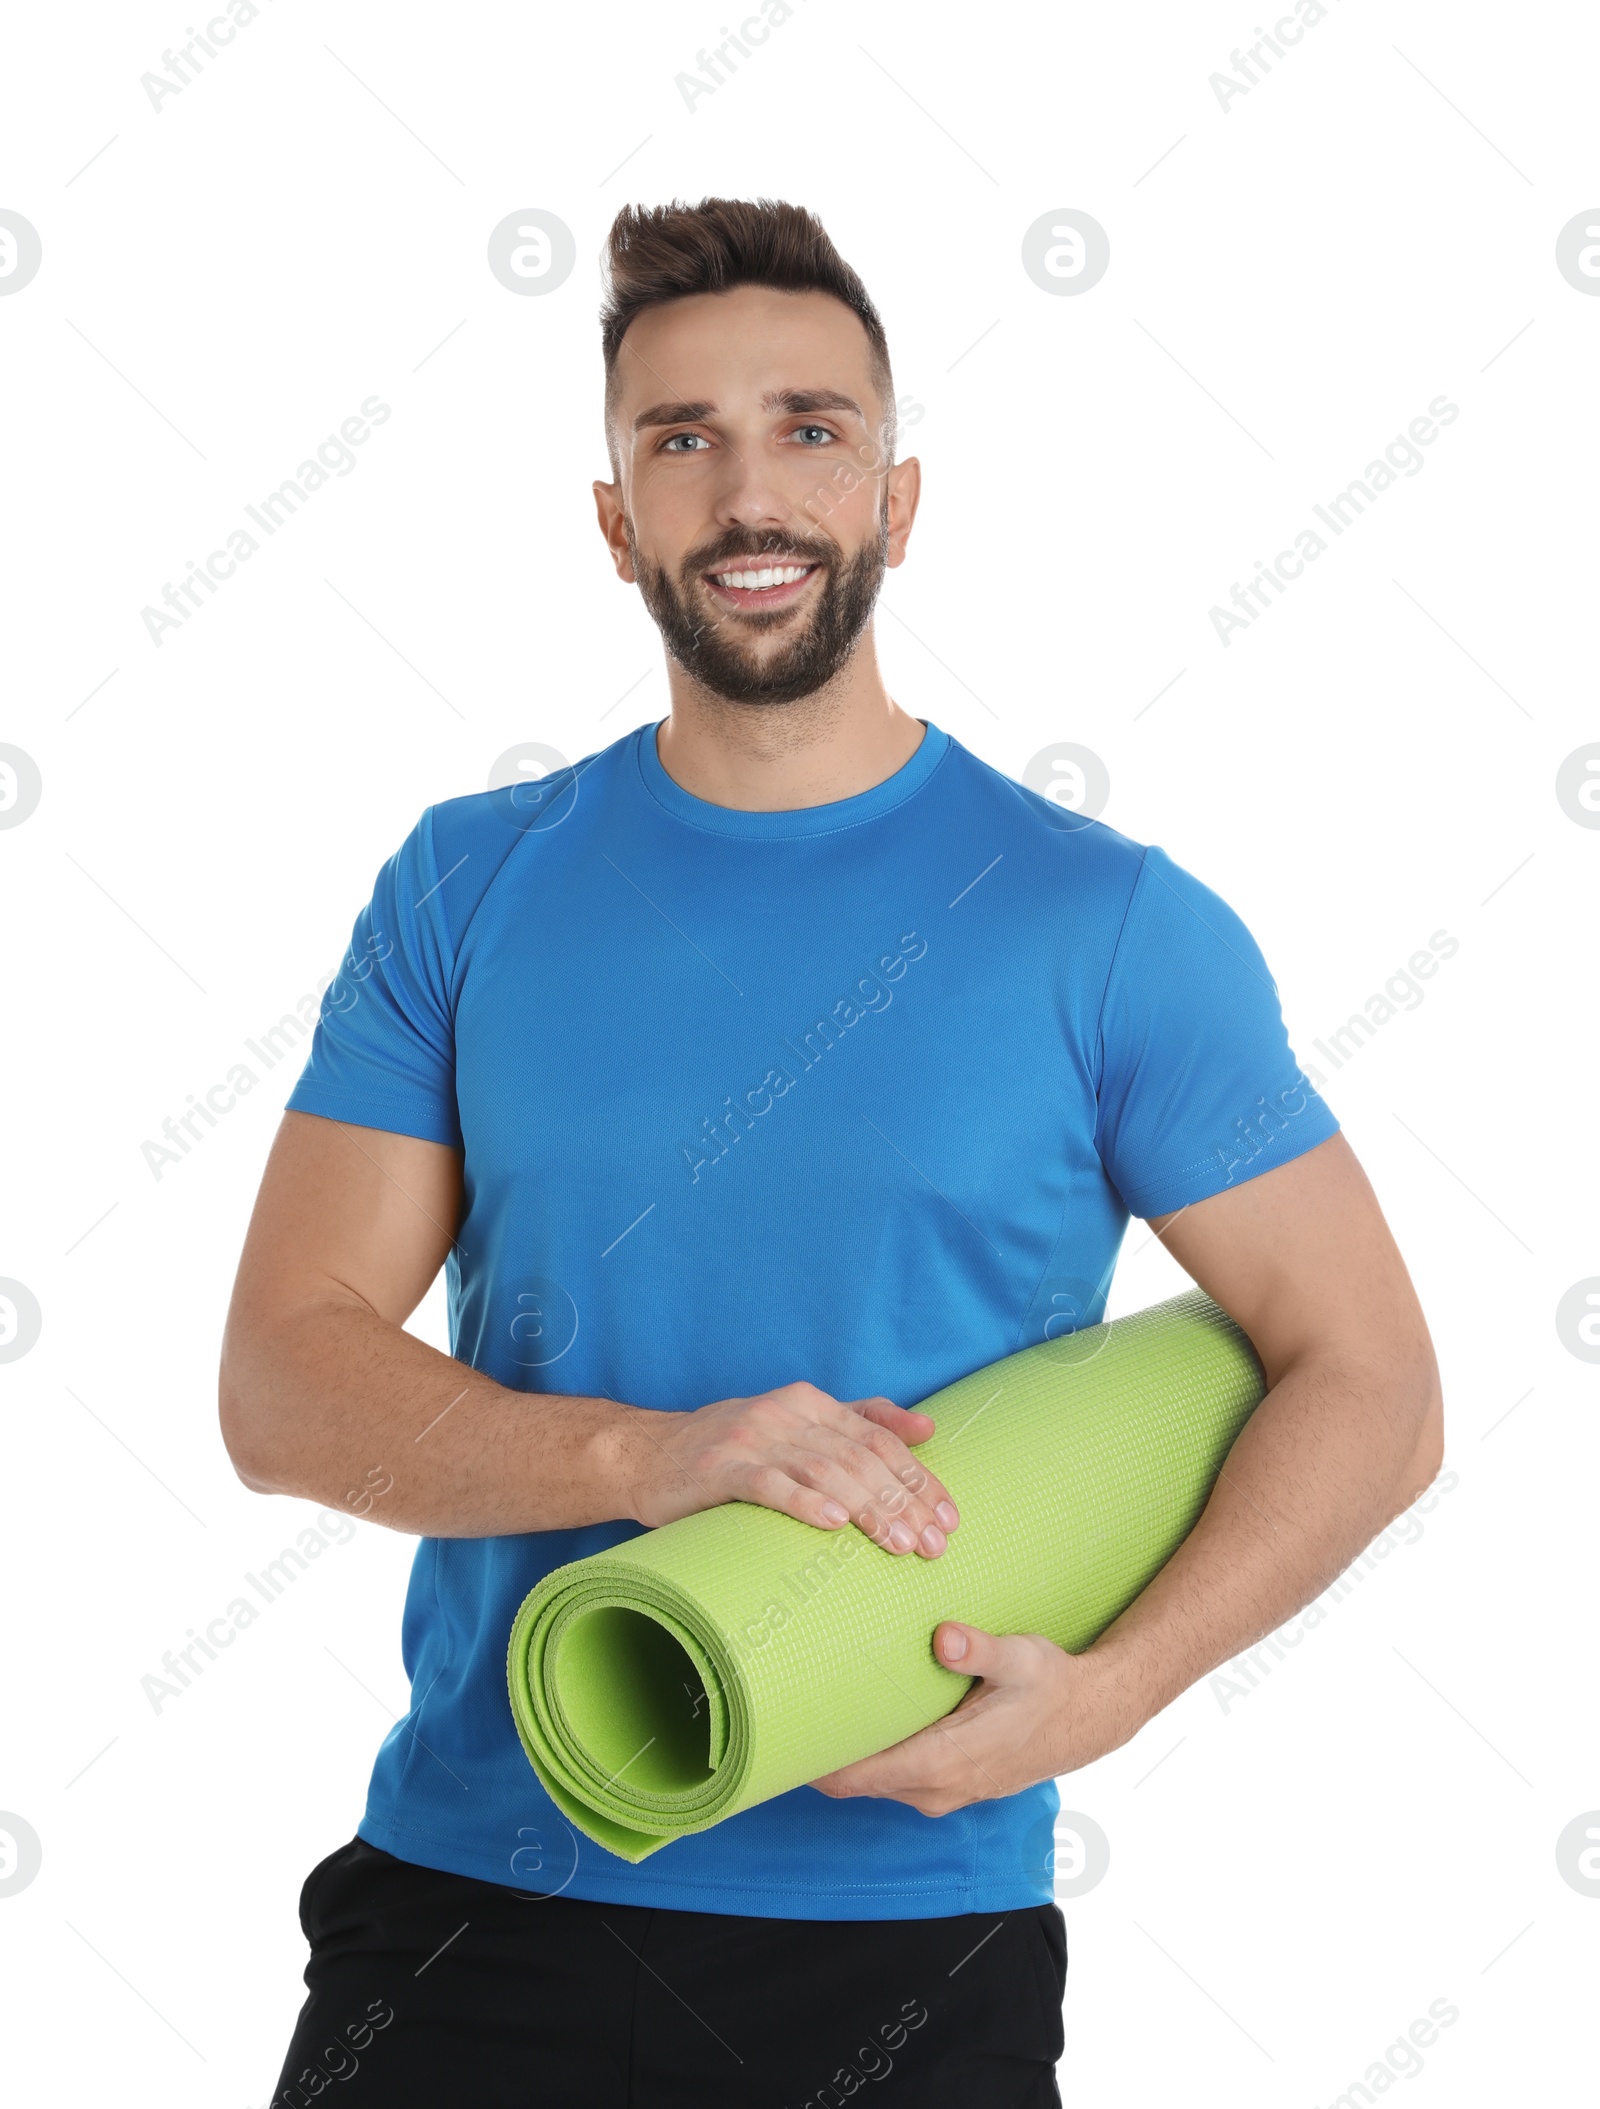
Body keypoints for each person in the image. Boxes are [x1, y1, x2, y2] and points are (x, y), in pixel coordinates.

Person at [220, 196, 1444, 2108]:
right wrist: (647, 1453)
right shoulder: (467, 888)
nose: (750, 491)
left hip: (907, 1937)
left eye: (811, 428)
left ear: (900, 494)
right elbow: (281, 1381)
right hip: (476, 1907)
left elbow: (1374, 1378)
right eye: (680, 439)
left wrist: (1114, 1694)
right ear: (616, 520)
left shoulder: (1106, 926)